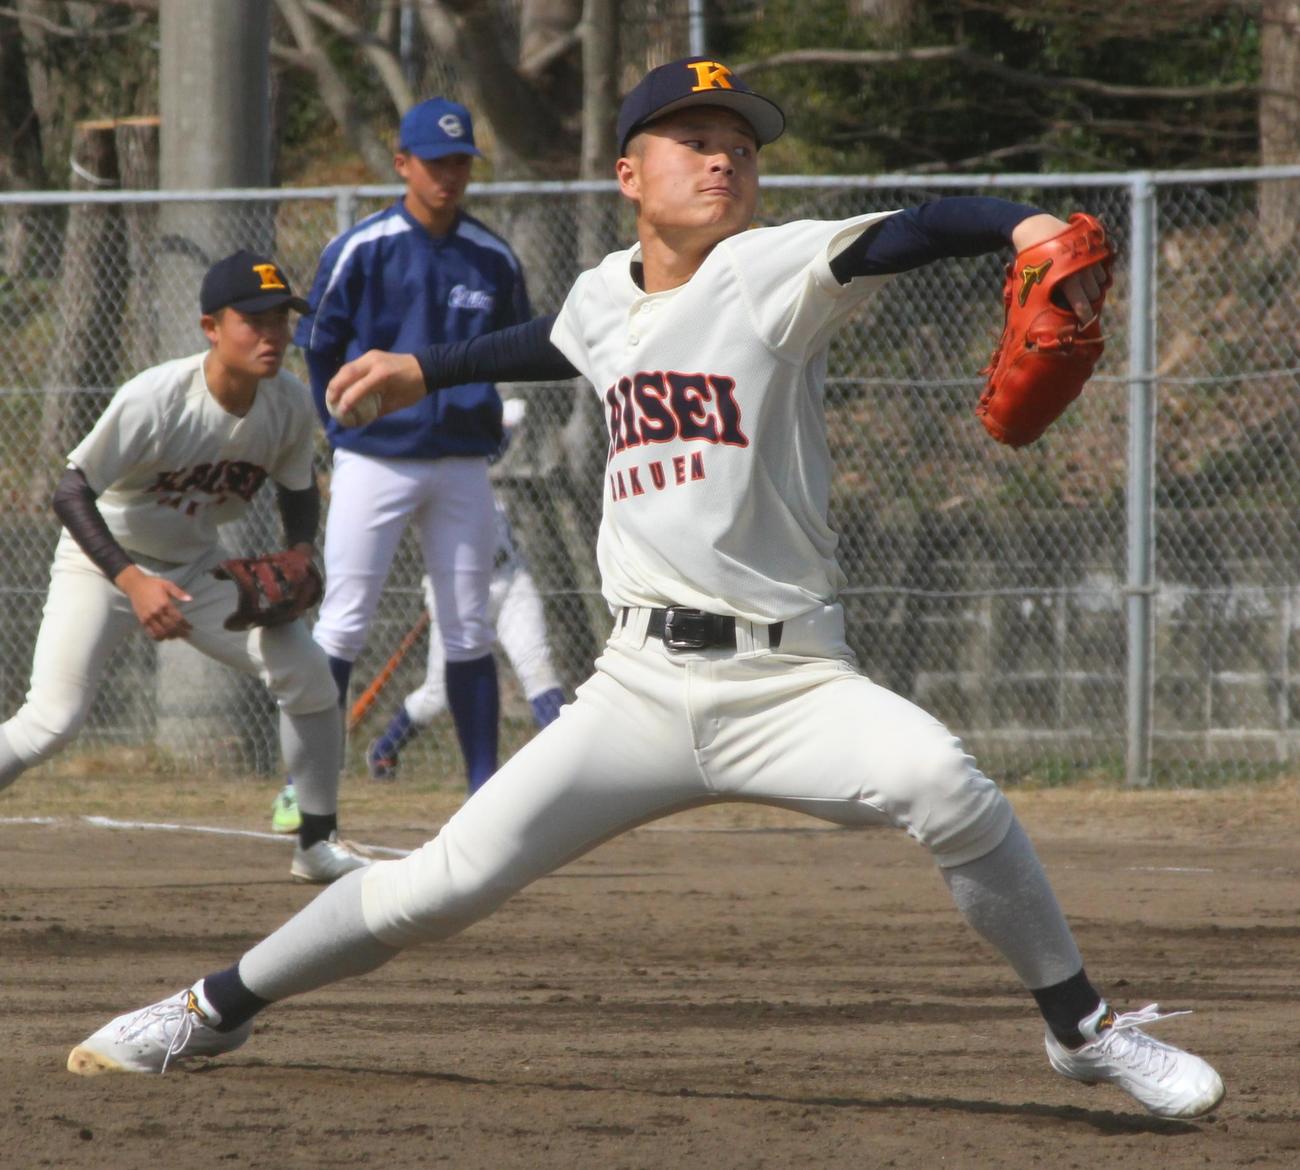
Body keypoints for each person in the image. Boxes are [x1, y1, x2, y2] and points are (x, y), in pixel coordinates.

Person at [67, 60, 1225, 1120]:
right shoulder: (600, 295)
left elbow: (912, 233)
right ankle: (209, 1009)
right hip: (636, 688)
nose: (724, 157)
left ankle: (1081, 1031)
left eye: (740, 144)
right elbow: (558, 340)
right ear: (630, 174)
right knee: (436, 891)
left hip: (788, 680)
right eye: (692, 138)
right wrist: (425, 364)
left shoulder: (773, 269)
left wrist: (1023, 224)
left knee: (946, 785)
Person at [0, 251, 370, 884]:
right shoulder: (157, 398)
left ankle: (314, 843)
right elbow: (70, 491)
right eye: (253, 319)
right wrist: (132, 581)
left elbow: (297, 487)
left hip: (197, 568)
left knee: (306, 672)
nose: (272, 333)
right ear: (210, 328)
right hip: (103, 562)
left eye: (281, 317)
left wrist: (302, 549)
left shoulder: (286, 401)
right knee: (51, 722)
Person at [292, 96, 531, 797]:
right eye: (434, 161)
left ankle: (483, 788)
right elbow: (318, 344)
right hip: (375, 457)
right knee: (343, 623)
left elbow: (516, 348)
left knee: (469, 630)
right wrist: (337, 427)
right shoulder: (364, 247)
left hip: (460, 460)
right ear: (402, 164)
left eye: (459, 161)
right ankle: (306, 785)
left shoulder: (490, 256)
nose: (448, 175)